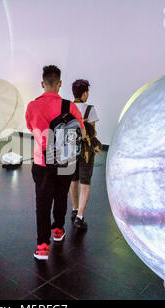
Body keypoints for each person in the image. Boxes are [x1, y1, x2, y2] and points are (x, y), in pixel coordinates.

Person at [25, 65, 85, 261]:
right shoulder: (70, 107)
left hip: (42, 162)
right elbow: (81, 133)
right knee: (61, 197)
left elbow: (31, 128)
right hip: (65, 161)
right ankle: (58, 230)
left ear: (43, 84)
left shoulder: (32, 106)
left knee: (42, 204)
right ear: (59, 84)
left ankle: (42, 246)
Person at [69, 79, 100, 230]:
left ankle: (74, 210)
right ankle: (80, 217)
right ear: (85, 93)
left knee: (73, 181)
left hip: (70, 150)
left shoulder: (67, 108)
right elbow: (92, 132)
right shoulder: (90, 109)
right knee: (85, 183)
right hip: (86, 151)